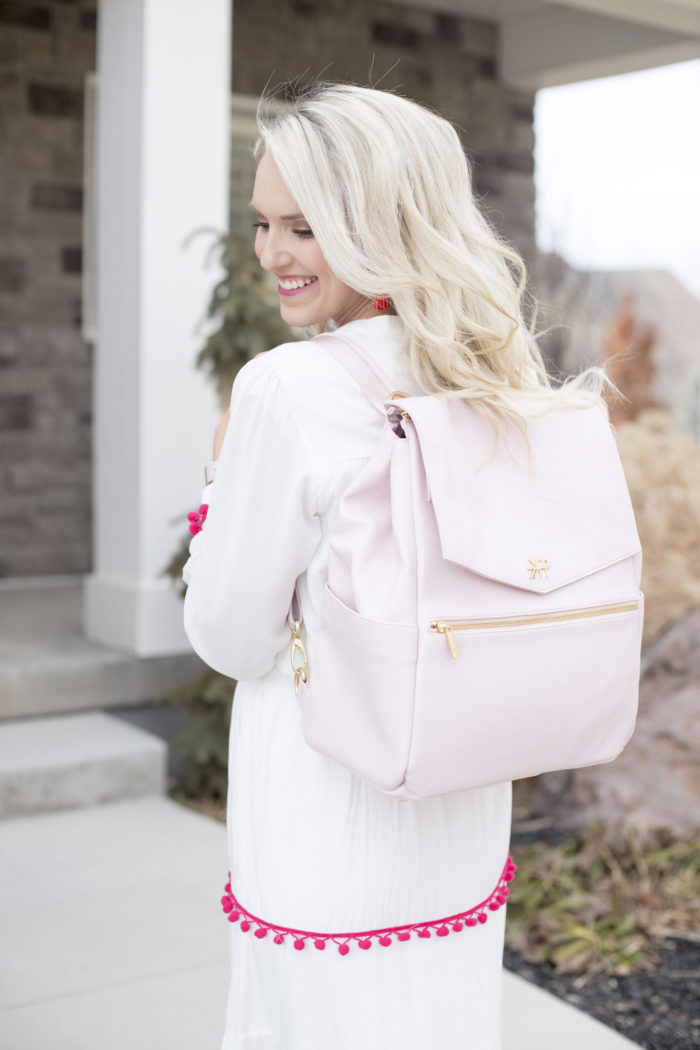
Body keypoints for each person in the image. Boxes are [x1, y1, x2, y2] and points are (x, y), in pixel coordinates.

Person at [182, 82, 605, 1050]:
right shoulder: (495, 375)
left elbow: (226, 633)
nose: (271, 254)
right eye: (261, 223)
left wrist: (221, 477)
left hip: (325, 813)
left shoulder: (287, 388)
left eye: (302, 226)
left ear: (374, 221)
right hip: (459, 816)